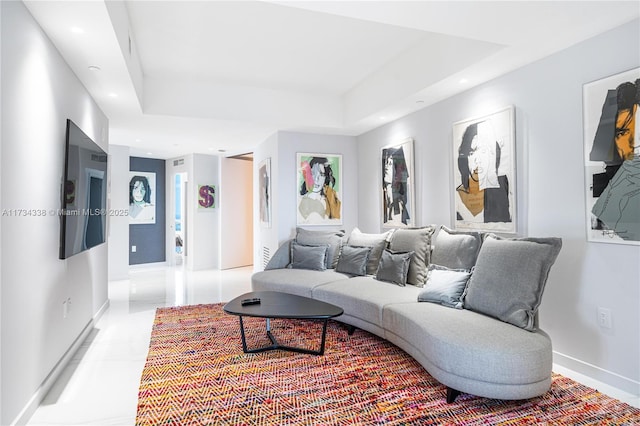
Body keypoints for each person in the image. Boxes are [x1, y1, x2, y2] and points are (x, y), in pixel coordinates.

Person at [456, 120, 511, 223]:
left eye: (481, 151)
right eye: (472, 153)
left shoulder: (497, 181)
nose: (477, 159)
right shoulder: (474, 182)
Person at [298, 156, 341, 222]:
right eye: (313, 173)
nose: (316, 179)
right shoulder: (301, 200)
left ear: (326, 177)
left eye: (321, 174)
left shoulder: (332, 199)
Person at [382, 147, 410, 225]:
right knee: (390, 200)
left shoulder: (398, 156)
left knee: (400, 199)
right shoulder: (385, 157)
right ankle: (390, 216)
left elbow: (401, 169)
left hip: (397, 180)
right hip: (388, 180)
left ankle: (402, 217)